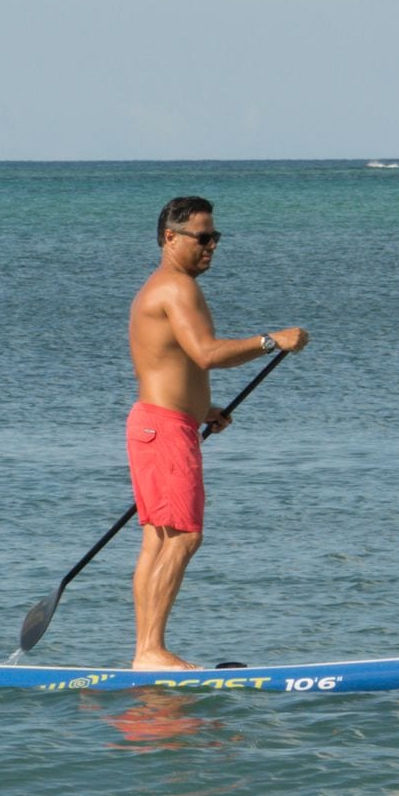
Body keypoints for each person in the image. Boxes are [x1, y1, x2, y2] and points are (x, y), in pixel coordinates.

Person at [123, 196, 303, 670]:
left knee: (159, 541)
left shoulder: (159, 288)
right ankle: (150, 652)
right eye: (203, 238)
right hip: (163, 430)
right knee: (182, 537)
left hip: (155, 422)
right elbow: (205, 353)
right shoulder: (176, 288)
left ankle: (146, 651)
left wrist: (205, 409)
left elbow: (173, 364)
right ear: (170, 238)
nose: (211, 248)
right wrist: (271, 341)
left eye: (215, 239)